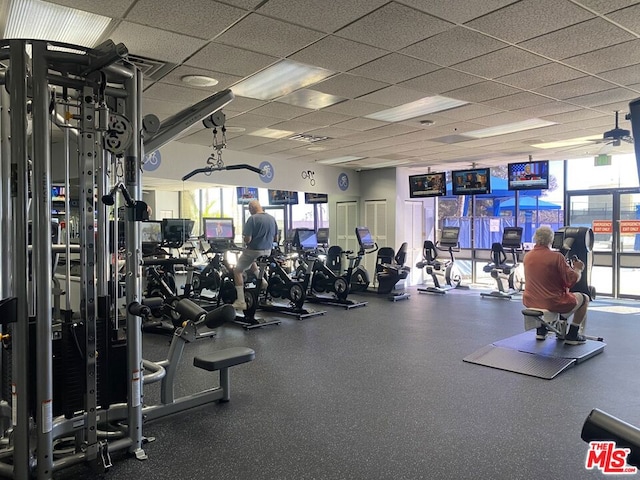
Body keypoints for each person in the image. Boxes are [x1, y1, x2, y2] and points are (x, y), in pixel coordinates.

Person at [522, 226, 589, 345]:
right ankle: (573, 335)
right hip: (552, 302)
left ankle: (541, 330)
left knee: (546, 292)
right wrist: (578, 269)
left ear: (535, 238)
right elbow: (571, 280)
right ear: (551, 240)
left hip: (530, 301)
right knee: (585, 298)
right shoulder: (556, 257)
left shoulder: (528, 256)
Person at [232, 200, 278, 310]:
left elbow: (248, 240)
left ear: (251, 208)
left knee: (237, 270)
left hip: (254, 250)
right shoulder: (272, 218)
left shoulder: (252, 219)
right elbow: (275, 238)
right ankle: (262, 281)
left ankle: (241, 301)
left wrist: (245, 239)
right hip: (267, 251)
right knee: (251, 260)